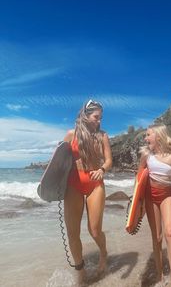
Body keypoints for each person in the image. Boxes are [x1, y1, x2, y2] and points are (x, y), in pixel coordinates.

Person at [63, 100, 112, 284]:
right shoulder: (70, 135)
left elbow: (108, 160)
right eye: (96, 117)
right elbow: (58, 162)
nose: (99, 121)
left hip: (95, 185)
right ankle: (81, 271)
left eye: (101, 118)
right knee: (72, 233)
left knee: (94, 230)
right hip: (73, 186)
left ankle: (104, 253)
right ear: (85, 115)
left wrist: (102, 170)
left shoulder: (102, 136)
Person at [138, 124, 171, 287]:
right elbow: (139, 179)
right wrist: (138, 203)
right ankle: (159, 275)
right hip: (150, 197)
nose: (145, 138)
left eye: (148, 135)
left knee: (170, 232)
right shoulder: (146, 155)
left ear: (158, 136)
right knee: (157, 237)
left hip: (167, 195)